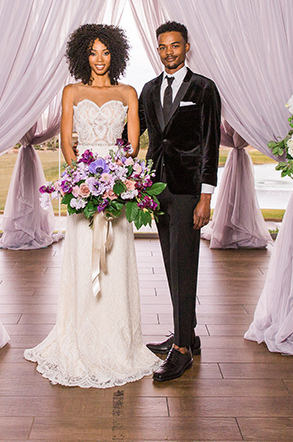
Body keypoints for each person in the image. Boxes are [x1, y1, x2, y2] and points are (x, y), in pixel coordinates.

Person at [24, 23, 161, 388]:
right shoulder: (71, 91)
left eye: (105, 52)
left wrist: (119, 181)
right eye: (93, 52)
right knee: (84, 260)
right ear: (83, 55)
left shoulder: (128, 92)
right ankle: (79, 338)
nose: (99, 59)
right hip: (83, 183)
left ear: (115, 54)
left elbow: (132, 146)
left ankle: (119, 341)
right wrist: (81, 180)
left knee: (115, 262)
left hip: (118, 183)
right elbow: (67, 141)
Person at [139, 21, 221, 382]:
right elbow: (135, 130)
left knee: (185, 264)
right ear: (157, 49)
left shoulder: (203, 88)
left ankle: (183, 351)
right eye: (162, 47)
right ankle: (187, 333)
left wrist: (205, 198)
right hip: (157, 188)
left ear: (187, 47)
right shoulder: (149, 88)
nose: (169, 52)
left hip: (189, 191)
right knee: (172, 264)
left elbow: (210, 145)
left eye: (175, 46)